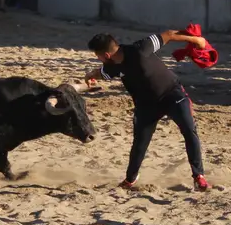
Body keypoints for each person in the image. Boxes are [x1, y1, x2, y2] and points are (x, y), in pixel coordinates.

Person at [83, 31, 211, 191]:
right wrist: (90, 75)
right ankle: (130, 179)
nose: (98, 59)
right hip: (146, 105)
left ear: (107, 54)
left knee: (189, 129)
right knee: (139, 144)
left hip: (172, 94)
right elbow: (100, 73)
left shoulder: (140, 48)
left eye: (98, 56)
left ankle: (199, 176)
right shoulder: (111, 66)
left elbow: (170, 35)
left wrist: (196, 40)